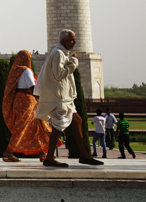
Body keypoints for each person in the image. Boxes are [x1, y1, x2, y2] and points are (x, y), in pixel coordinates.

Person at [34, 30, 102, 167]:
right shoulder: (58, 54)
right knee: (58, 128)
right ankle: (49, 159)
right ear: (63, 40)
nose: (75, 42)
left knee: (77, 121)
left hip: (65, 98)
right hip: (59, 98)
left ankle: (83, 155)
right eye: (72, 40)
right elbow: (59, 75)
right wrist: (74, 63)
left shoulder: (61, 53)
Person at [2, 50, 53, 162]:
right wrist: (42, 97)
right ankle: (9, 152)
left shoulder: (15, 71)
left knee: (38, 126)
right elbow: (32, 88)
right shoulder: (26, 71)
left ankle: (43, 153)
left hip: (19, 101)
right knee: (23, 127)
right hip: (28, 102)